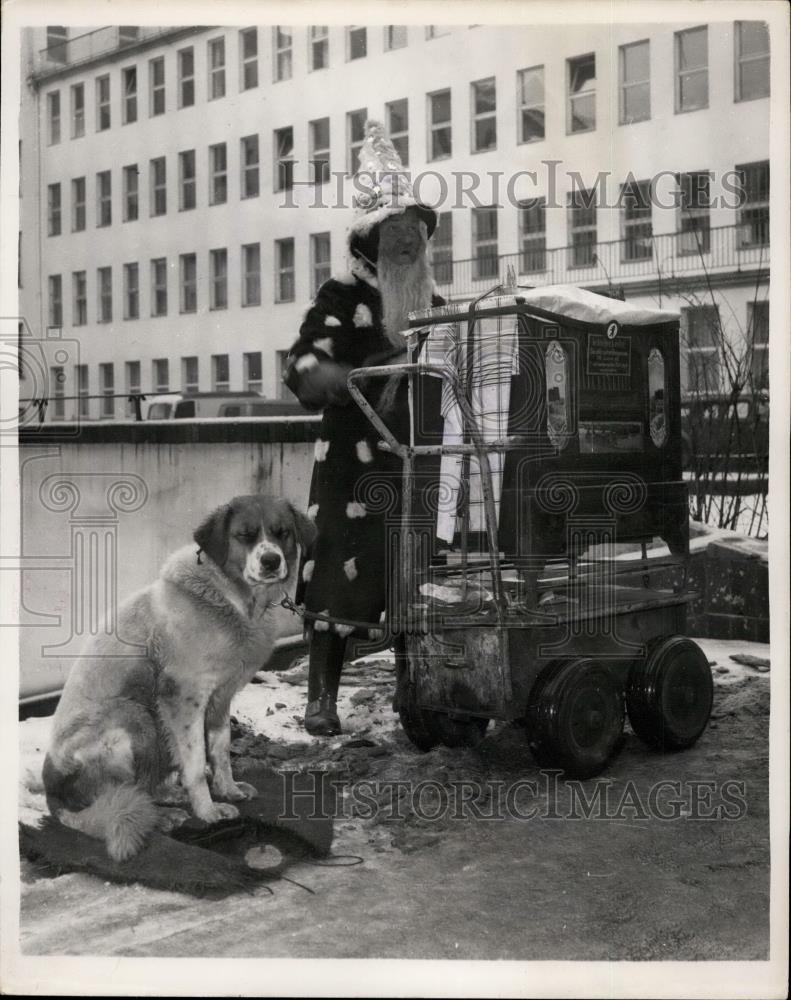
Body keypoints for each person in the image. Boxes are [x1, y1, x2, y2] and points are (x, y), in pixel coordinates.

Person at [284, 120, 445, 736]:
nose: (407, 245)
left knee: (416, 579)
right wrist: (354, 374)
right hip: (353, 469)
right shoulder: (340, 297)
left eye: (415, 235)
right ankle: (321, 696)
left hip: (417, 467)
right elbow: (301, 369)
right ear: (369, 240)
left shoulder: (432, 302)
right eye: (395, 234)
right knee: (334, 579)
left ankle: (416, 687)